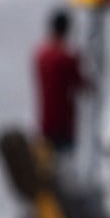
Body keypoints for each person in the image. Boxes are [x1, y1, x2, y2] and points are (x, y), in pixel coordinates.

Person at [32, 9, 87, 152]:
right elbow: (81, 84)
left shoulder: (41, 54)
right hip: (64, 123)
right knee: (63, 166)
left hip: (45, 121)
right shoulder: (67, 58)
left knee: (46, 163)